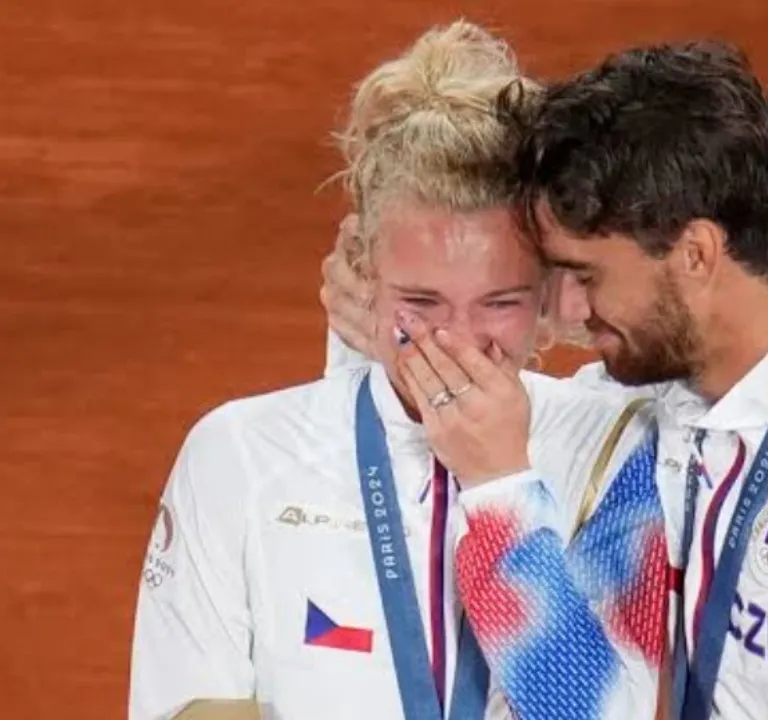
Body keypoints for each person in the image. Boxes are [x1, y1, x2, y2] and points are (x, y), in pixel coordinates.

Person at [327, 39, 768, 719]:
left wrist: (502, 494)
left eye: (586, 276)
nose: (571, 309)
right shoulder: (645, 417)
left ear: (697, 255)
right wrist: (388, 331)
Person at [128, 20, 666, 720]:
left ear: (551, 294)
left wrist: (500, 488)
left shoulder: (618, 451)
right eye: (422, 301)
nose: (459, 341)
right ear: (358, 270)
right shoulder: (240, 456)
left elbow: (595, 714)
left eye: (499, 301)